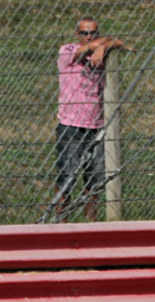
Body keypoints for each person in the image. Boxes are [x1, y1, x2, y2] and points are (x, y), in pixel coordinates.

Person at [54, 18, 123, 222]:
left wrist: (103, 46)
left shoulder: (100, 52)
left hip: (96, 126)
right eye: (84, 33)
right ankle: (61, 223)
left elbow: (119, 42)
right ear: (76, 35)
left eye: (93, 33)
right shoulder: (67, 51)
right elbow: (105, 42)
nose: (88, 36)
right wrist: (102, 44)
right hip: (71, 126)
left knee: (93, 181)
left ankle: (90, 225)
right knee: (66, 177)